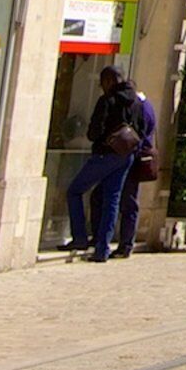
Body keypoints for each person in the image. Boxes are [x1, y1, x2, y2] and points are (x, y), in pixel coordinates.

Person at [69, 64, 152, 260]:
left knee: (74, 191)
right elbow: (144, 128)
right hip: (125, 156)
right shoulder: (137, 102)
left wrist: (100, 137)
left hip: (104, 155)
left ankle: (80, 236)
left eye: (103, 82)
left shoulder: (107, 100)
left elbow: (94, 132)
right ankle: (102, 248)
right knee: (112, 200)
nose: (101, 86)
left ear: (109, 81)